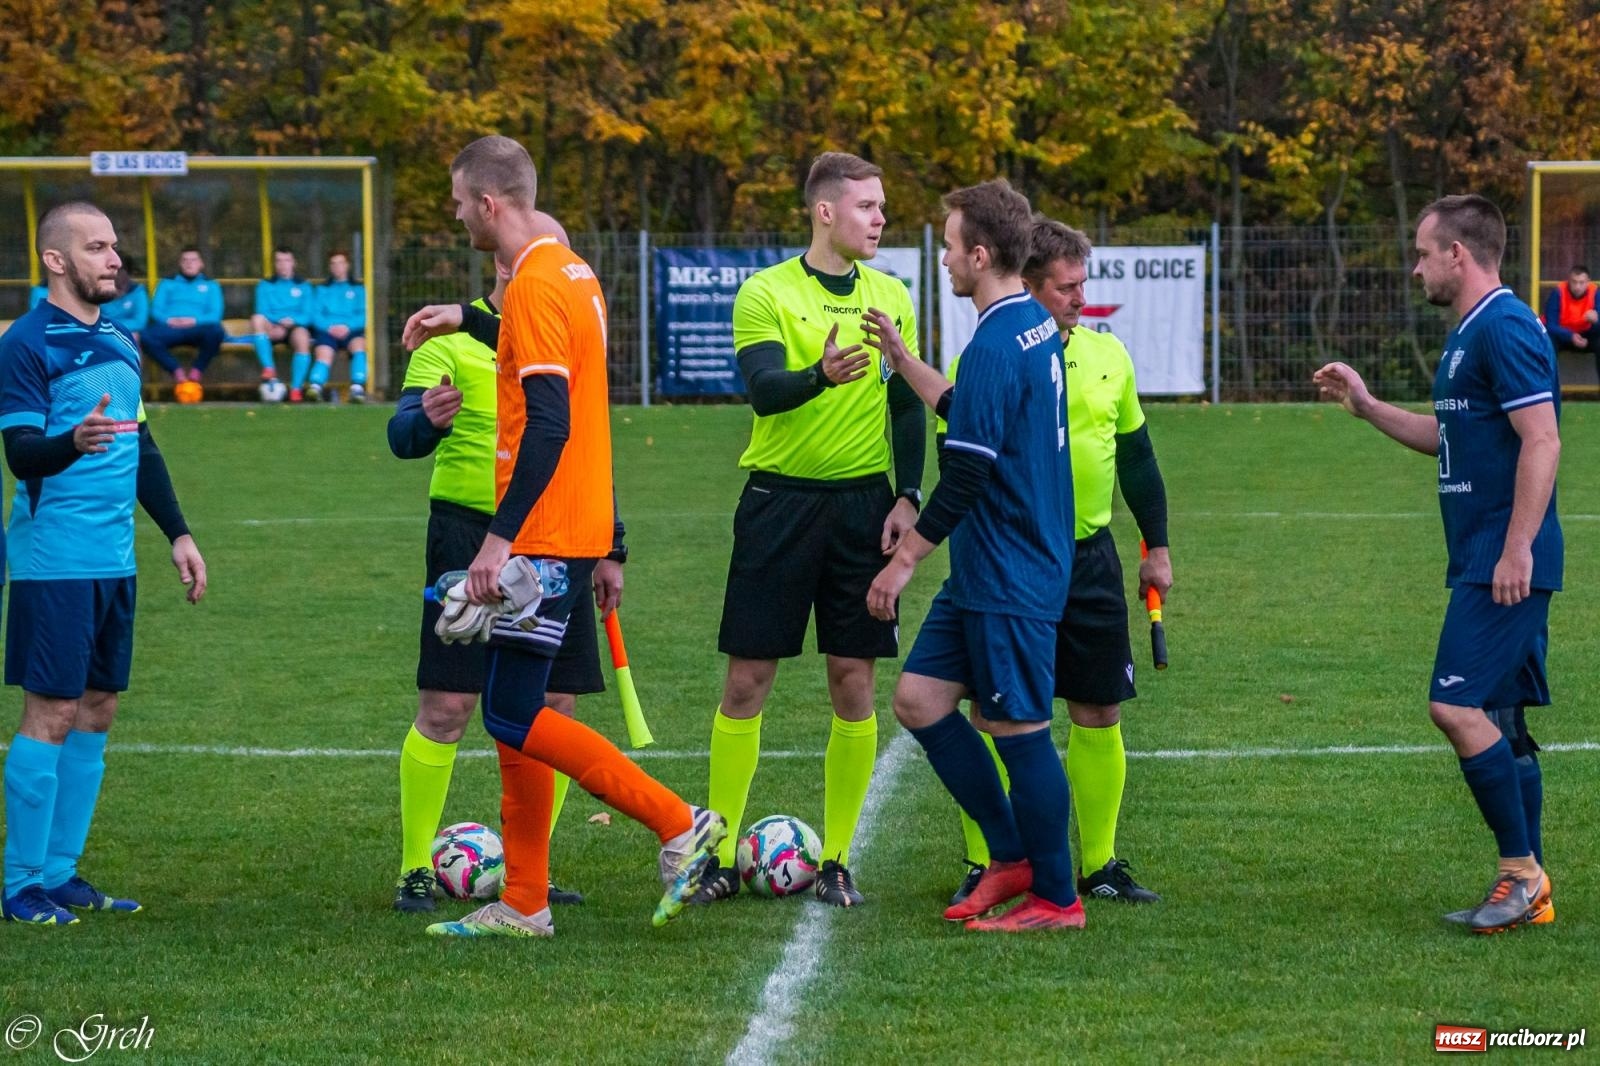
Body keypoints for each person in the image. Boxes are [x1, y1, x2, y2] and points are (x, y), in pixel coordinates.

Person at [400, 135, 722, 939]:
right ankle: (525, 901)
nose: (455, 216)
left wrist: (498, 541)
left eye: (458, 203)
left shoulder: (539, 285)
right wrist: (465, 316)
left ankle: (679, 823)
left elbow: (549, 423)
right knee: (513, 709)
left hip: (544, 535)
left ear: (489, 204)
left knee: (512, 713)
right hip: (570, 528)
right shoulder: (570, 271)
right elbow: (538, 350)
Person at [1314, 193, 1561, 934]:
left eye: (1423, 253)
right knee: (1503, 721)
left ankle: (1522, 874)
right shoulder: (1470, 333)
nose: (1416, 268)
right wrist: (1368, 407)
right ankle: (1532, 888)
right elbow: (1448, 437)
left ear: (1458, 252)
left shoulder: (1503, 326)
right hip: (1485, 555)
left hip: (1502, 560)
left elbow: (1542, 439)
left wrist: (1516, 547)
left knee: (1453, 706)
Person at [691, 151, 926, 909]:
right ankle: (718, 855)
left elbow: (905, 405)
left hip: (864, 510)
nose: (881, 218)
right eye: (867, 206)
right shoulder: (766, 292)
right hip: (778, 505)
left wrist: (908, 494)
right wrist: (819, 376)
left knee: (853, 680)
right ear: (825, 212)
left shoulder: (891, 295)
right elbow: (763, 390)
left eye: (882, 206)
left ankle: (837, 860)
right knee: (747, 680)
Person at [862, 178, 1082, 932]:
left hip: (1011, 569)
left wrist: (903, 562)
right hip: (991, 566)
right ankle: (1010, 855)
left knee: (1019, 729)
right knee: (919, 700)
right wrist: (903, 359)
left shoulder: (994, 342)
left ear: (980, 254)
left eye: (952, 245)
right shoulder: (1029, 325)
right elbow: (972, 412)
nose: (946, 258)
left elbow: (965, 473)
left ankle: (1058, 897)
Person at [388, 239, 627, 915]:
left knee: (554, 705)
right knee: (448, 706)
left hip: (557, 538)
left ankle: (531, 869)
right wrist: (423, 421)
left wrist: (612, 543)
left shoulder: (565, 327)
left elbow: (587, 440)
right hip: (469, 535)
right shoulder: (449, 337)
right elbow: (400, 435)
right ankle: (415, 867)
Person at [936, 218, 1169, 907]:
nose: (1081, 299)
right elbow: (961, 469)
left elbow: (1137, 456)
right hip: (1010, 559)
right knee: (995, 710)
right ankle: (989, 858)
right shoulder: (986, 357)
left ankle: (1099, 864)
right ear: (1029, 285)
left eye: (1082, 285)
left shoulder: (1109, 355)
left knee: (1098, 707)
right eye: (1067, 287)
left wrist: (1156, 546)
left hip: (1088, 557)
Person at [0, 201, 207, 926]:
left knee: (97, 707)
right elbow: (21, 453)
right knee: (52, 710)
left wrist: (178, 533)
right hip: (52, 559)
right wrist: (73, 443)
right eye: (96, 247)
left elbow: (141, 446)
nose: (114, 258)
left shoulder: (121, 338)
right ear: (56, 261)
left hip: (114, 559)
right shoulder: (26, 343)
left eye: (114, 246)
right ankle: (20, 884)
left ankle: (60, 873)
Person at [143, 247, 226, 384]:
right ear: (180, 263)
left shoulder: (211, 285)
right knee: (146, 336)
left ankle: (197, 371)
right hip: (171, 327)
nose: (189, 264)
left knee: (217, 332)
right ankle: (176, 371)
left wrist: (194, 321)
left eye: (193, 260)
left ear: (201, 263)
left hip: (198, 328)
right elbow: (155, 310)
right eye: (185, 260)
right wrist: (169, 320)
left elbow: (215, 315)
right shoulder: (166, 283)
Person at [250, 248, 313, 401]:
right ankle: (269, 369)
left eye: (287, 260)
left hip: (294, 327)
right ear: (275, 264)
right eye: (279, 261)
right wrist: (278, 322)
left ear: (293, 263)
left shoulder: (304, 286)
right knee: (257, 319)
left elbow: (308, 315)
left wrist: (292, 321)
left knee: (303, 337)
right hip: (272, 326)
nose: (283, 265)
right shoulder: (265, 285)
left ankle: (296, 389)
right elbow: (262, 310)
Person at [311, 251, 368, 403]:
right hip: (328, 331)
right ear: (330, 267)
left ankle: (357, 388)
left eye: (341, 263)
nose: (337, 267)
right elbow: (315, 315)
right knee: (324, 353)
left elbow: (364, 314)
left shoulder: (358, 289)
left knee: (359, 346)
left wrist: (348, 327)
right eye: (333, 264)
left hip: (351, 331)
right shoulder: (322, 289)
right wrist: (329, 327)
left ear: (347, 265)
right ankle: (315, 387)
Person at [1540, 264, 1599, 376]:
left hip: (1587, 337)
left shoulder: (1595, 292)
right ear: (1568, 281)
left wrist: (1597, 320)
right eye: (1574, 282)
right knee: (1548, 340)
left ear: (1588, 282)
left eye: (1581, 282)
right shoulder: (1558, 292)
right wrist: (1570, 336)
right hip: (1563, 336)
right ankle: (1547, 383)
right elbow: (1550, 325)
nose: (1577, 287)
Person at [102, 261, 149, 348]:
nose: (117, 275)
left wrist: (112, 325)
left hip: (125, 329)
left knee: (133, 336)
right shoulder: (100, 292)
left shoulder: (138, 292)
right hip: (102, 330)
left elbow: (140, 321)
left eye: (120, 271)